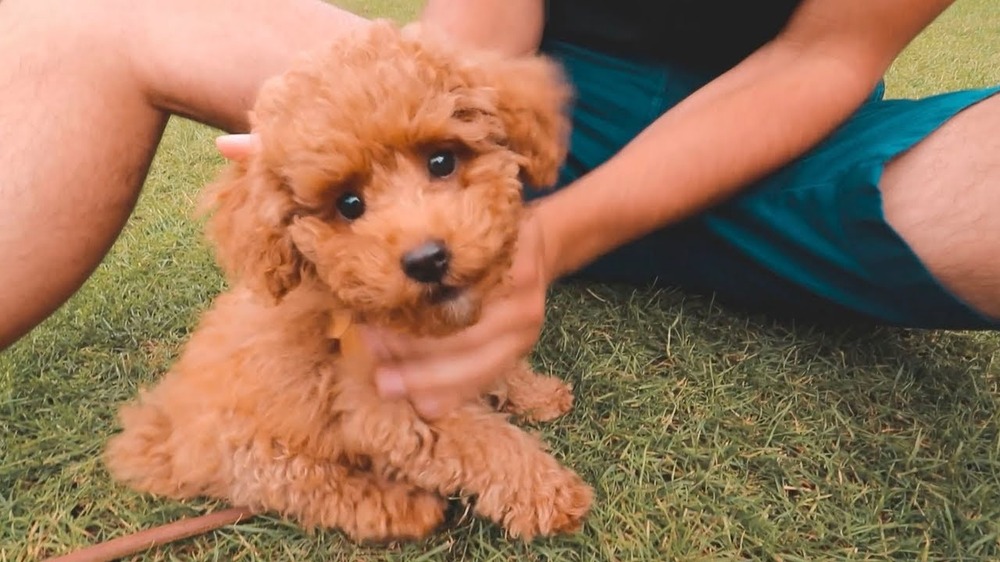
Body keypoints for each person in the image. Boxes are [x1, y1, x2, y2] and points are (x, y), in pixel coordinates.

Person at [2, 0, 997, 419]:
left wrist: (555, 236)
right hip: (502, 115)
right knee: (83, 13)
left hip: (798, 162)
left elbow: (821, 55)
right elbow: (485, 25)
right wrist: (400, 156)